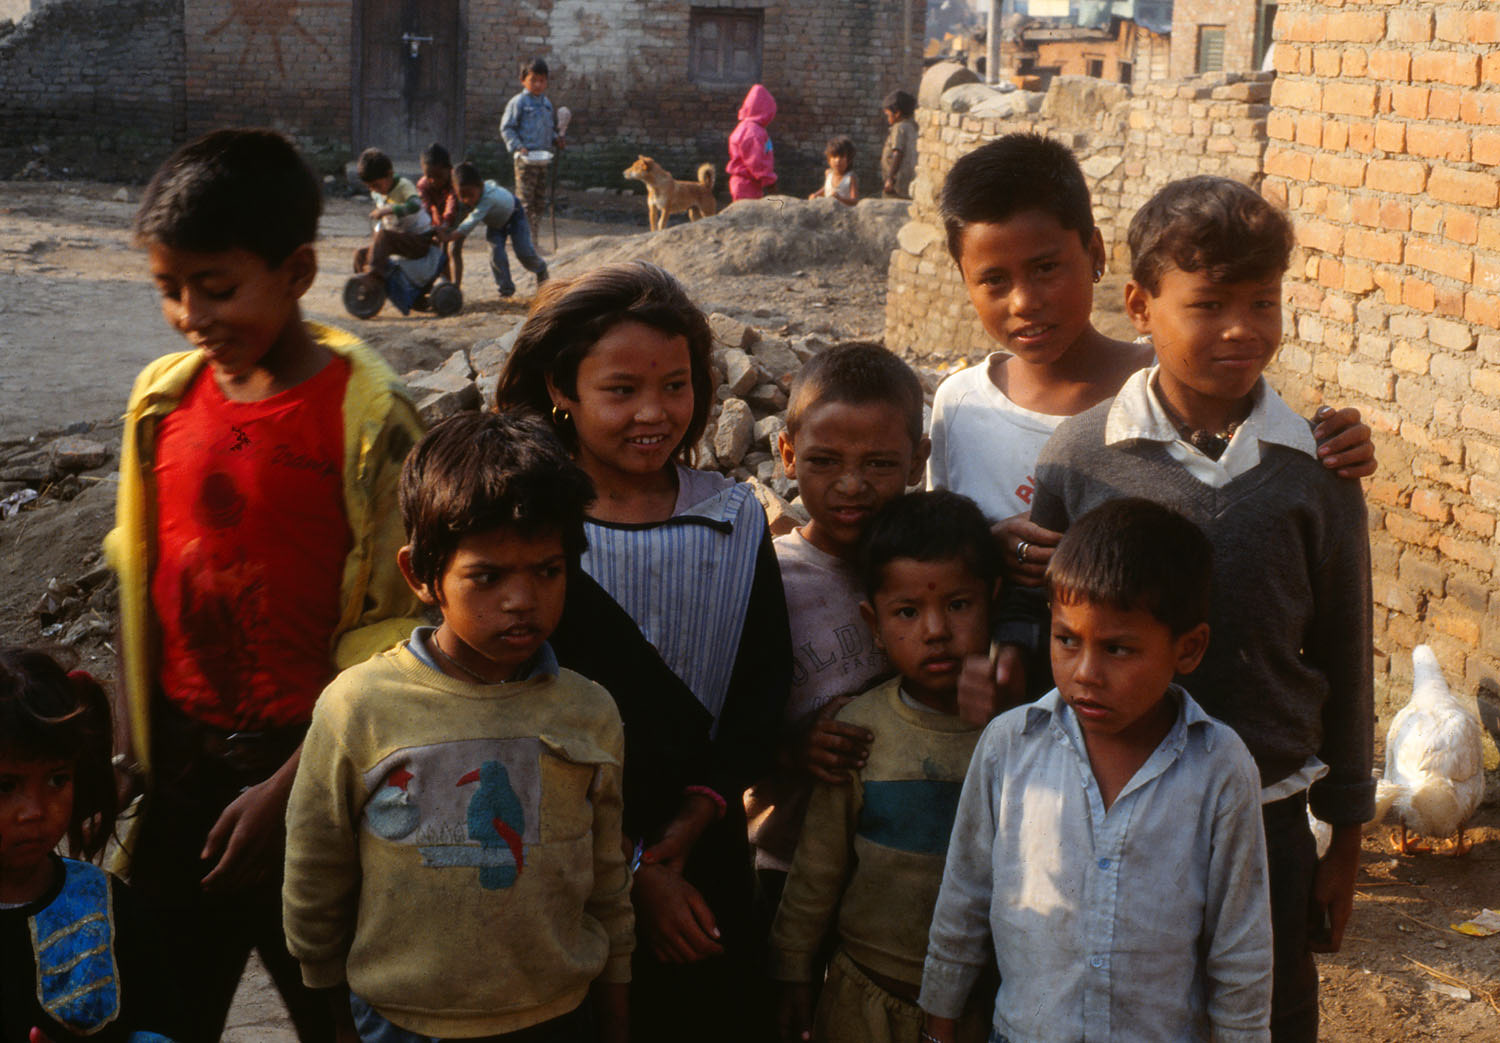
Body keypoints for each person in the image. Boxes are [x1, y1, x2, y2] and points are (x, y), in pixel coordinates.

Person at [1004, 176, 1374, 1041]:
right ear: (1140, 304)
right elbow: (1039, 626)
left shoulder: (1316, 469)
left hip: (1270, 811)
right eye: (1209, 304)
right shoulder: (1082, 458)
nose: (1243, 328)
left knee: (1264, 1009)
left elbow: (1346, 648)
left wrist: (1346, 840)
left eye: (1263, 301)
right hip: (1114, 806)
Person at [107, 127, 426, 1043]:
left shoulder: (370, 419)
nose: (190, 315)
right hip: (184, 780)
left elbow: (401, 633)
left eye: (216, 287)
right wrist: (128, 739)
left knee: (343, 1015)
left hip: (317, 787)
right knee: (159, 1014)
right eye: (170, 288)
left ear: (297, 272)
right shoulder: (162, 403)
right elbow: (139, 575)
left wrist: (292, 784)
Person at [924, 134, 1375, 713]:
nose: (1024, 302)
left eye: (1046, 267)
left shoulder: (1183, 383)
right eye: (994, 279)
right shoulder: (962, 406)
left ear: (1095, 252)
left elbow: (1262, 470)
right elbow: (935, 563)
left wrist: (1334, 440)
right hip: (1055, 714)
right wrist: (989, 553)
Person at [494, 262, 791, 1042]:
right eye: (621, 390)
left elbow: (760, 691)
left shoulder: (733, 518)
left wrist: (692, 822)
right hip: (557, 860)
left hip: (704, 853)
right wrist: (630, 870)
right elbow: (509, 710)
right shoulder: (526, 534)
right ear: (561, 387)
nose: (653, 413)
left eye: (675, 385)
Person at [282, 411, 632, 1043]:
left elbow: (606, 877)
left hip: (556, 1014)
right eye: (488, 577)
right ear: (421, 576)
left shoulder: (589, 712)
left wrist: (615, 1013)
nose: (521, 600)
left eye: (547, 571)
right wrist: (330, 1005)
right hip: (402, 1022)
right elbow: (316, 869)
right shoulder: (359, 707)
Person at [920, 499, 1272, 1043]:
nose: (1086, 673)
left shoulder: (1219, 766)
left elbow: (1239, 947)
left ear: (1189, 648)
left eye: (1118, 649)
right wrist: (938, 1028)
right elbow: (963, 900)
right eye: (1067, 640)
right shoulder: (1010, 746)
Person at [770, 491, 998, 1043]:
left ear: (994, 601)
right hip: (866, 995)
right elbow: (818, 868)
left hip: (984, 1002)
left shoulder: (1019, 732)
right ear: (873, 623)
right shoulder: (860, 731)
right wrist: (792, 969)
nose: (935, 630)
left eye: (958, 605)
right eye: (907, 612)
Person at [745, 344, 929, 910]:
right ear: (787, 454)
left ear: (918, 461)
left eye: (879, 464)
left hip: (906, 865)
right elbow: (724, 732)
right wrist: (792, 750)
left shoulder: (938, 576)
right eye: (824, 462)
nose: (851, 485)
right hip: (787, 861)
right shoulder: (764, 580)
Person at [0, 649, 181, 1043]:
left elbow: (158, 1023)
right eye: (6, 785)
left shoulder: (107, 909)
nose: (34, 811)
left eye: (56, 779)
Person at [441, 161, 549, 299]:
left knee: (524, 252)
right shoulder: (473, 194)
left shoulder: (488, 198)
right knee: (495, 255)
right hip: (496, 224)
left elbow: (471, 221)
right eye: (462, 196)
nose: (467, 200)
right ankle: (506, 289)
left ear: (480, 186)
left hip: (515, 215)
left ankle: (540, 269)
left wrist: (450, 236)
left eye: (470, 195)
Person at [354, 147, 436, 282]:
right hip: (398, 240)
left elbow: (415, 205)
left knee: (384, 236)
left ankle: (372, 278)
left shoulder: (403, 186)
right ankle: (362, 285)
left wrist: (390, 210)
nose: (374, 190)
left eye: (376, 185)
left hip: (419, 240)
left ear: (390, 174)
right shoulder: (377, 193)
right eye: (369, 187)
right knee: (361, 254)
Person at [501, 58, 563, 227]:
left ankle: (533, 236)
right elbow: (507, 128)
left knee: (539, 202)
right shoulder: (518, 102)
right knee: (525, 203)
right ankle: (521, 236)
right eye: (533, 80)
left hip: (542, 160)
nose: (538, 84)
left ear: (547, 82)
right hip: (525, 161)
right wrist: (519, 146)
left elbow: (549, 129)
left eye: (542, 80)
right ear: (523, 80)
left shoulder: (546, 104)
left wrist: (556, 139)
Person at [415, 142, 462, 284]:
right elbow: (428, 207)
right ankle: (444, 284)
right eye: (429, 176)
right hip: (437, 219)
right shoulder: (423, 185)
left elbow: (452, 203)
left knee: (453, 249)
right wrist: (436, 226)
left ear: (449, 170)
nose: (434, 181)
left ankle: (455, 287)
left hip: (458, 215)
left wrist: (445, 224)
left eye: (439, 176)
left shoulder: (455, 181)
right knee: (437, 249)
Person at [728, 84, 778, 201]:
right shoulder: (754, 133)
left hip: (744, 184)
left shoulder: (744, 127)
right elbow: (756, 162)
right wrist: (770, 183)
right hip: (747, 186)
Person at [880, 90, 917, 199]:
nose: (887, 119)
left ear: (897, 113)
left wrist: (890, 178)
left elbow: (898, 153)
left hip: (896, 184)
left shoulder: (899, 127)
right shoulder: (912, 126)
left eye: (888, 115)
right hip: (907, 182)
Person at [808, 136, 857, 205]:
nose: (837, 160)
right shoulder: (828, 173)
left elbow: (854, 201)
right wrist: (815, 195)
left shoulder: (850, 178)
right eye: (834, 157)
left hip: (843, 210)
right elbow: (826, 188)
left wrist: (840, 199)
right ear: (829, 160)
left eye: (841, 157)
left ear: (848, 160)